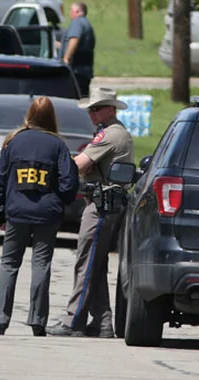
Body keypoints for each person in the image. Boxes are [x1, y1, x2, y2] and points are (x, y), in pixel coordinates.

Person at [0, 96, 79, 337]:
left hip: (17, 211)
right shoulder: (57, 145)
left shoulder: (13, 142)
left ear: (29, 115)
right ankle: (37, 321)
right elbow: (69, 183)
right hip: (47, 213)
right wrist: (59, 201)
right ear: (51, 118)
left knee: (9, 263)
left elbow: (0, 181)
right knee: (41, 263)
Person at [46, 87, 135, 338]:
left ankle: (73, 320)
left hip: (102, 207)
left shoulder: (110, 135)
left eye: (96, 109)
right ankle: (103, 321)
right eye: (90, 109)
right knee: (95, 264)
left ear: (110, 109)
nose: (91, 113)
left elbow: (80, 165)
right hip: (105, 204)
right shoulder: (113, 132)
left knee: (86, 263)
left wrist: (56, 163)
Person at [61, 2, 95, 97]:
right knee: (82, 98)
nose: (69, 13)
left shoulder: (77, 22)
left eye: (71, 10)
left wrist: (66, 59)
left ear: (78, 11)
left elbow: (74, 39)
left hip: (76, 70)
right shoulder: (86, 23)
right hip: (84, 71)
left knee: (74, 100)